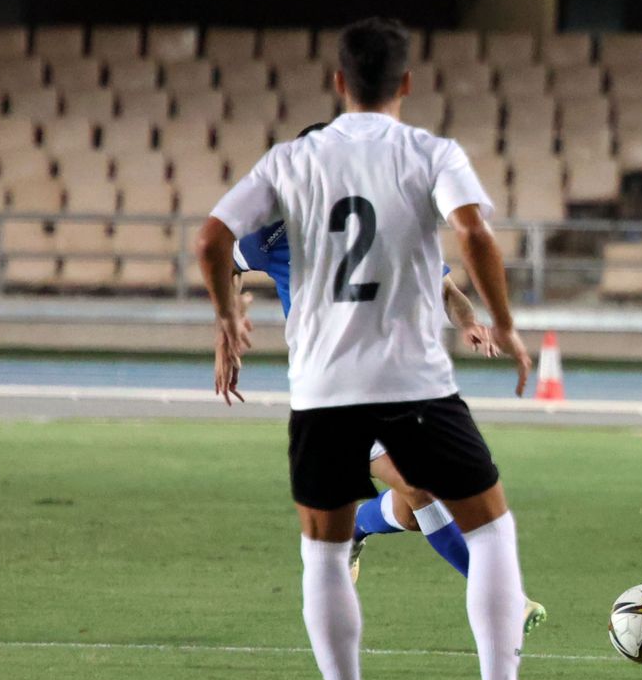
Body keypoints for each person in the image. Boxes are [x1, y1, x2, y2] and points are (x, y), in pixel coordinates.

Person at [195, 16, 566, 680]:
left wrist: (226, 322)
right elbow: (475, 236)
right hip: (411, 382)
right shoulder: (428, 154)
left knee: (322, 553)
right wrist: (505, 323)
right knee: (490, 527)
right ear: (405, 83)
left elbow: (212, 241)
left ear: (338, 84)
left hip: (325, 387)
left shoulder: (291, 164)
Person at [229, 148, 547, 636]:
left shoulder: (387, 218)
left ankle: (358, 524)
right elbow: (223, 256)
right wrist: (228, 319)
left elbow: (442, 288)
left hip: (397, 378)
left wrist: (470, 323)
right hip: (330, 388)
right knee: (419, 487)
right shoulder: (274, 228)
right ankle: (508, 600)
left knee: (414, 508)